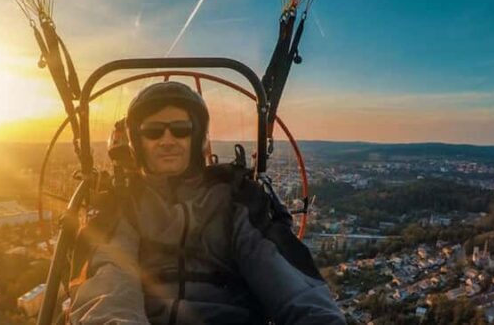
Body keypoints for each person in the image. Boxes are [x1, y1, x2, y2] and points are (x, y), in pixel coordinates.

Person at [69, 81, 345, 324]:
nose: (167, 140)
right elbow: (109, 282)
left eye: (181, 130)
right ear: (137, 142)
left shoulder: (235, 199)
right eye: (153, 131)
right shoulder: (122, 205)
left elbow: (285, 278)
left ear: (198, 136)